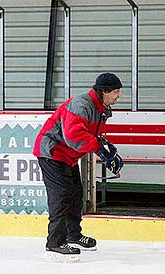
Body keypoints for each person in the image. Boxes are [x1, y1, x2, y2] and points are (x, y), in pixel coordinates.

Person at [33, 73, 124, 262]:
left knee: (75, 195)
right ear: (104, 91)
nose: (119, 95)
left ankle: (73, 235)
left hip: (68, 157)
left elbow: (89, 135)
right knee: (62, 195)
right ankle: (55, 243)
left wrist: (104, 149)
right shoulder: (82, 105)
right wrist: (99, 148)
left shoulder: (101, 108)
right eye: (115, 91)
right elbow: (74, 136)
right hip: (52, 153)